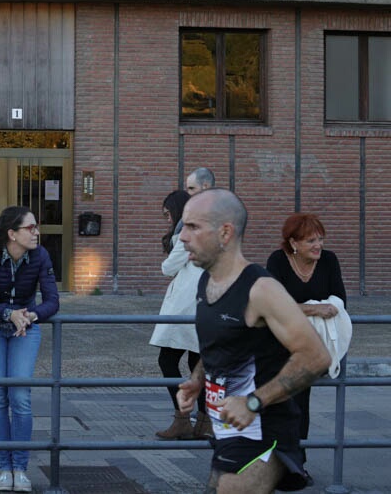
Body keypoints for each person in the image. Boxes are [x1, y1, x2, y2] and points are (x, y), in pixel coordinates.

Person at [177, 189, 331, 494]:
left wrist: (253, 402)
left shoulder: (261, 289)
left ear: (225, 232)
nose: (182, 236)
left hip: (265, 436)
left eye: (193, 227)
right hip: (228, 432)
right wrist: (198, 381)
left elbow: (316, 357)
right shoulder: (207, 281)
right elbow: (223, 344)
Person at [0, 206, 59, 493]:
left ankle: (20, 468)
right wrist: (9, 313)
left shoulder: (40, 255)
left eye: (36, 226)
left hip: (26, 329)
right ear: (12, 234)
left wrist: (31, 315)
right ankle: (3, 468)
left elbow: (53, 301)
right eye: (30, 228)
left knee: (20, 396)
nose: (36, 232)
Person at [266, 213, 347, 464]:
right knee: (275, 405)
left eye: (320, 239)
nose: (318, 245)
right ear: (293, 243)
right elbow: (274, 305)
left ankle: (295, 464)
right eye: (311, 240)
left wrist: (305, 308)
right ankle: (272, 464)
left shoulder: (329, 260)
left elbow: (340, 300)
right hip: (277, 343)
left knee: (299, 404)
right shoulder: (278, 261)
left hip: (310, 346)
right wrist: (314, 309)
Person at [149, 190, 209, 440]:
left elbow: (168, 267)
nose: (167, 220)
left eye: (167, 214)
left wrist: (174, 246)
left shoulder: (186, 233)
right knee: (197, 363)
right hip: (201, 301)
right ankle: (204, 421)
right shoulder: (202, 229)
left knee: (167, 361)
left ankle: (182, 417)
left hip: (186, 305)